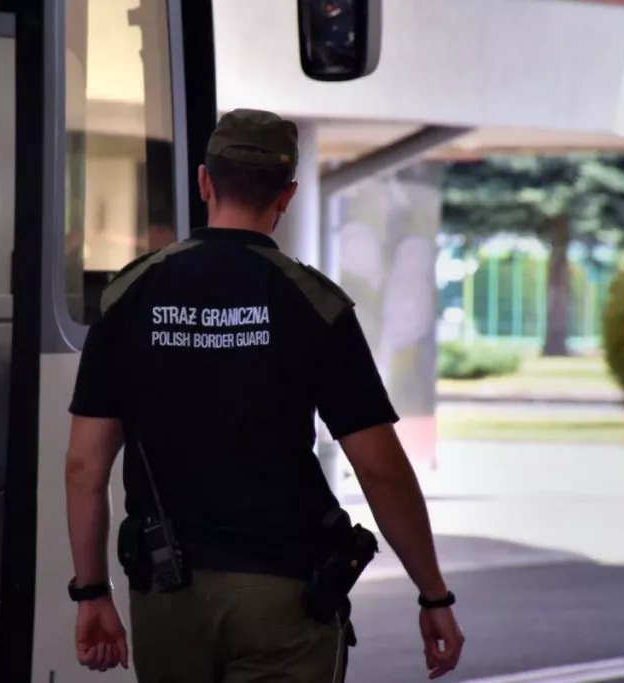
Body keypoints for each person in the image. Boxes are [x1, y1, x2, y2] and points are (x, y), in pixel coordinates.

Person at [63, 108, 465, 682]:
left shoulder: (130, 294)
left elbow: (84, 466)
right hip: (284, 595)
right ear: (288, 194)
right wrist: (433, 594)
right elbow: (379, 470)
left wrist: (91, 592)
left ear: (205, 181)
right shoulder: (315, 304)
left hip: (167, 596)